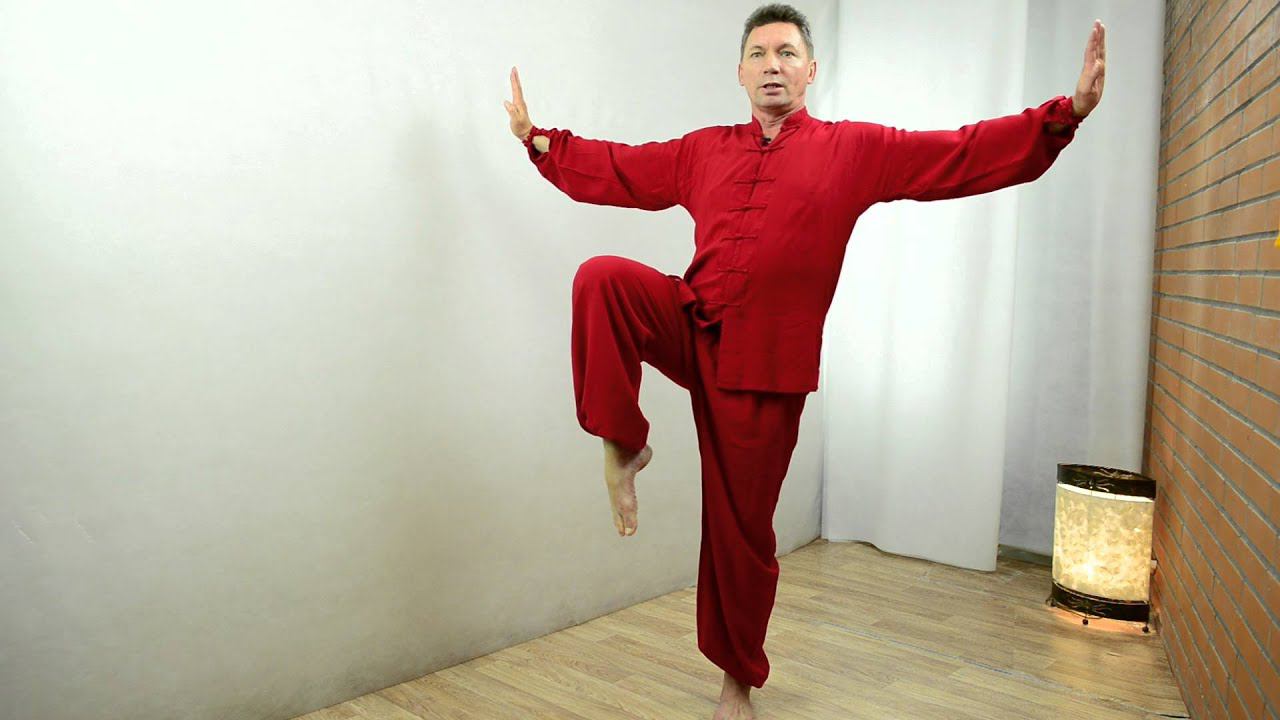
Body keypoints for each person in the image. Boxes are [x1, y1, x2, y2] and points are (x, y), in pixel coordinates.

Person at [504, 4, 1106, 718]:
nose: (773, 66)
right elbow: (621, 168)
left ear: (811, 70)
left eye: (787, 53)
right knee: (601, 278)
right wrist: (540, 140)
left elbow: (958, 153)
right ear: (740, 72)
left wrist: (1064, 114)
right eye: (759, 54)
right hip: (694, 322)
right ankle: (624, 442)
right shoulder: (703, 151)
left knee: (741, 532)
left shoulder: (852, 148)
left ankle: (736, 681)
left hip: (766, 368)